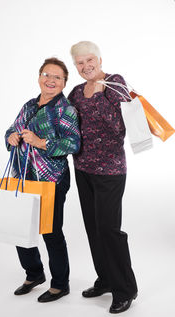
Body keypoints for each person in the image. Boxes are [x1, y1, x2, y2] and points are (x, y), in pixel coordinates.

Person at [68, 41, 138, 314]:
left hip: (110, 170)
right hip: (82, 168)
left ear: (98, 59)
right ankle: (106, 279)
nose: (85, 67)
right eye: (79, 63)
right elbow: (67, 122)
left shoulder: (114, 84)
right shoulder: (75, 91)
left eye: (89, 61)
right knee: (93, 228)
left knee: (109, 230)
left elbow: (117, 127)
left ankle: (125, 289)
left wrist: (98, 96)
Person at [5, 57, 80, 302]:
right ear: (39, 77)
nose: (51, 80)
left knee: (50, 231)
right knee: (20, 228)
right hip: (24, 177)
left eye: (57, 77)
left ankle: (60, 284)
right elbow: (10, 129)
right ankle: (34, 274)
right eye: (46, 75)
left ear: (64, 82)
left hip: (52, 179)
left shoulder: (65, 110)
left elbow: (73, 143)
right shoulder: (29, 105)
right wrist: (12, 137)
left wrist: (41, 142)